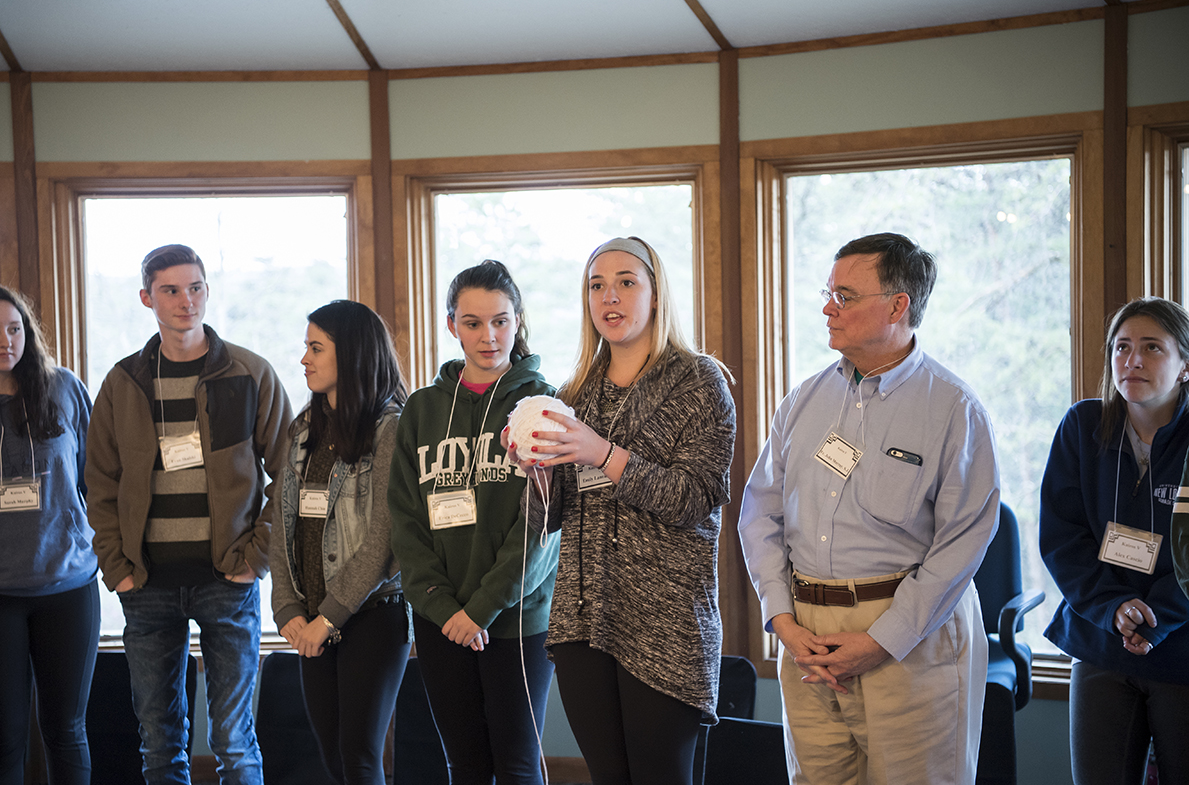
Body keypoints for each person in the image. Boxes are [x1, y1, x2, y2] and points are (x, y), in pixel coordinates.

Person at [738, 232, 999, 785]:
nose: (828, 308)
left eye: (846, 295)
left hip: (909, 639)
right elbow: (759, 514)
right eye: (828, 293)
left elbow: (964, 542)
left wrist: (882, 641)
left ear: (898, 305)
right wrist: (782, 620)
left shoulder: (953, 407)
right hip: (805, 639)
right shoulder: (804, 400)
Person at [506, 237, 736, 785]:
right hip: (584, 623)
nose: (610, 296)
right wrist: (533, 470)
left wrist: (602, 453)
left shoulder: (700, 381)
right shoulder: (573, 394)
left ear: (656, 294)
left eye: (627, 282)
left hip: (665, 625)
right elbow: (547, 519)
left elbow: (692, 499)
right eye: (596, 285)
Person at [86, 244, 292, 785]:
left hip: (228, 579)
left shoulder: (248, 373)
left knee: (233, 741)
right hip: (147, 582)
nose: (186, 300)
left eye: (195, 287)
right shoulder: (123, 381)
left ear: (207, 290)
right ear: (146, 297)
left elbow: (292, 473)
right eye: (171, 290)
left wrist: (258, 558)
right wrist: (117, 566)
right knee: (159, 740)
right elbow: (99, 482)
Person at [388, 259, 560, 785]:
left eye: (501, 321)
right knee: (464, 764)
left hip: (516, 621)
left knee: (516, 764)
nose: (489, 336)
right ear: (451, 325)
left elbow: (542, 526)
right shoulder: (420, 411)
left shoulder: (544, 407)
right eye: (472, 323)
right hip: (441, 619)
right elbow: (406, 519)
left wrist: (482, 608)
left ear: (517, 319)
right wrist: (444, 610)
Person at [1042, 296, 1189, 784]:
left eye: (1152, 348)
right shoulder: (1082, 427)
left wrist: (1156, 616)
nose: (1133, 361)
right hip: (1101, 639)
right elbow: (1063, 538)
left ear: (1185, 364)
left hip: (1183, 646)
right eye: (1122, 347)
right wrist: (1113, 608)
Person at [269, 300, 411, 785]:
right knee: (332, 756)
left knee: (360, 757)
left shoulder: (391, 428)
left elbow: (384, 540)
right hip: (309, 618)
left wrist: (329, 617)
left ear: (349, 354)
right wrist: (288, 608)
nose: (304, 359)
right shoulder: (304, 428)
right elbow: (283, 520)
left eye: (315, 348)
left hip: (371, 615)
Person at [0, 284, 99, 785]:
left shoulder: (62, 387)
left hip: (67, 586)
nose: (7, 340)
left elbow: (93, 477)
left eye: (16, 328)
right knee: (1, 743)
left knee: (67, 731)